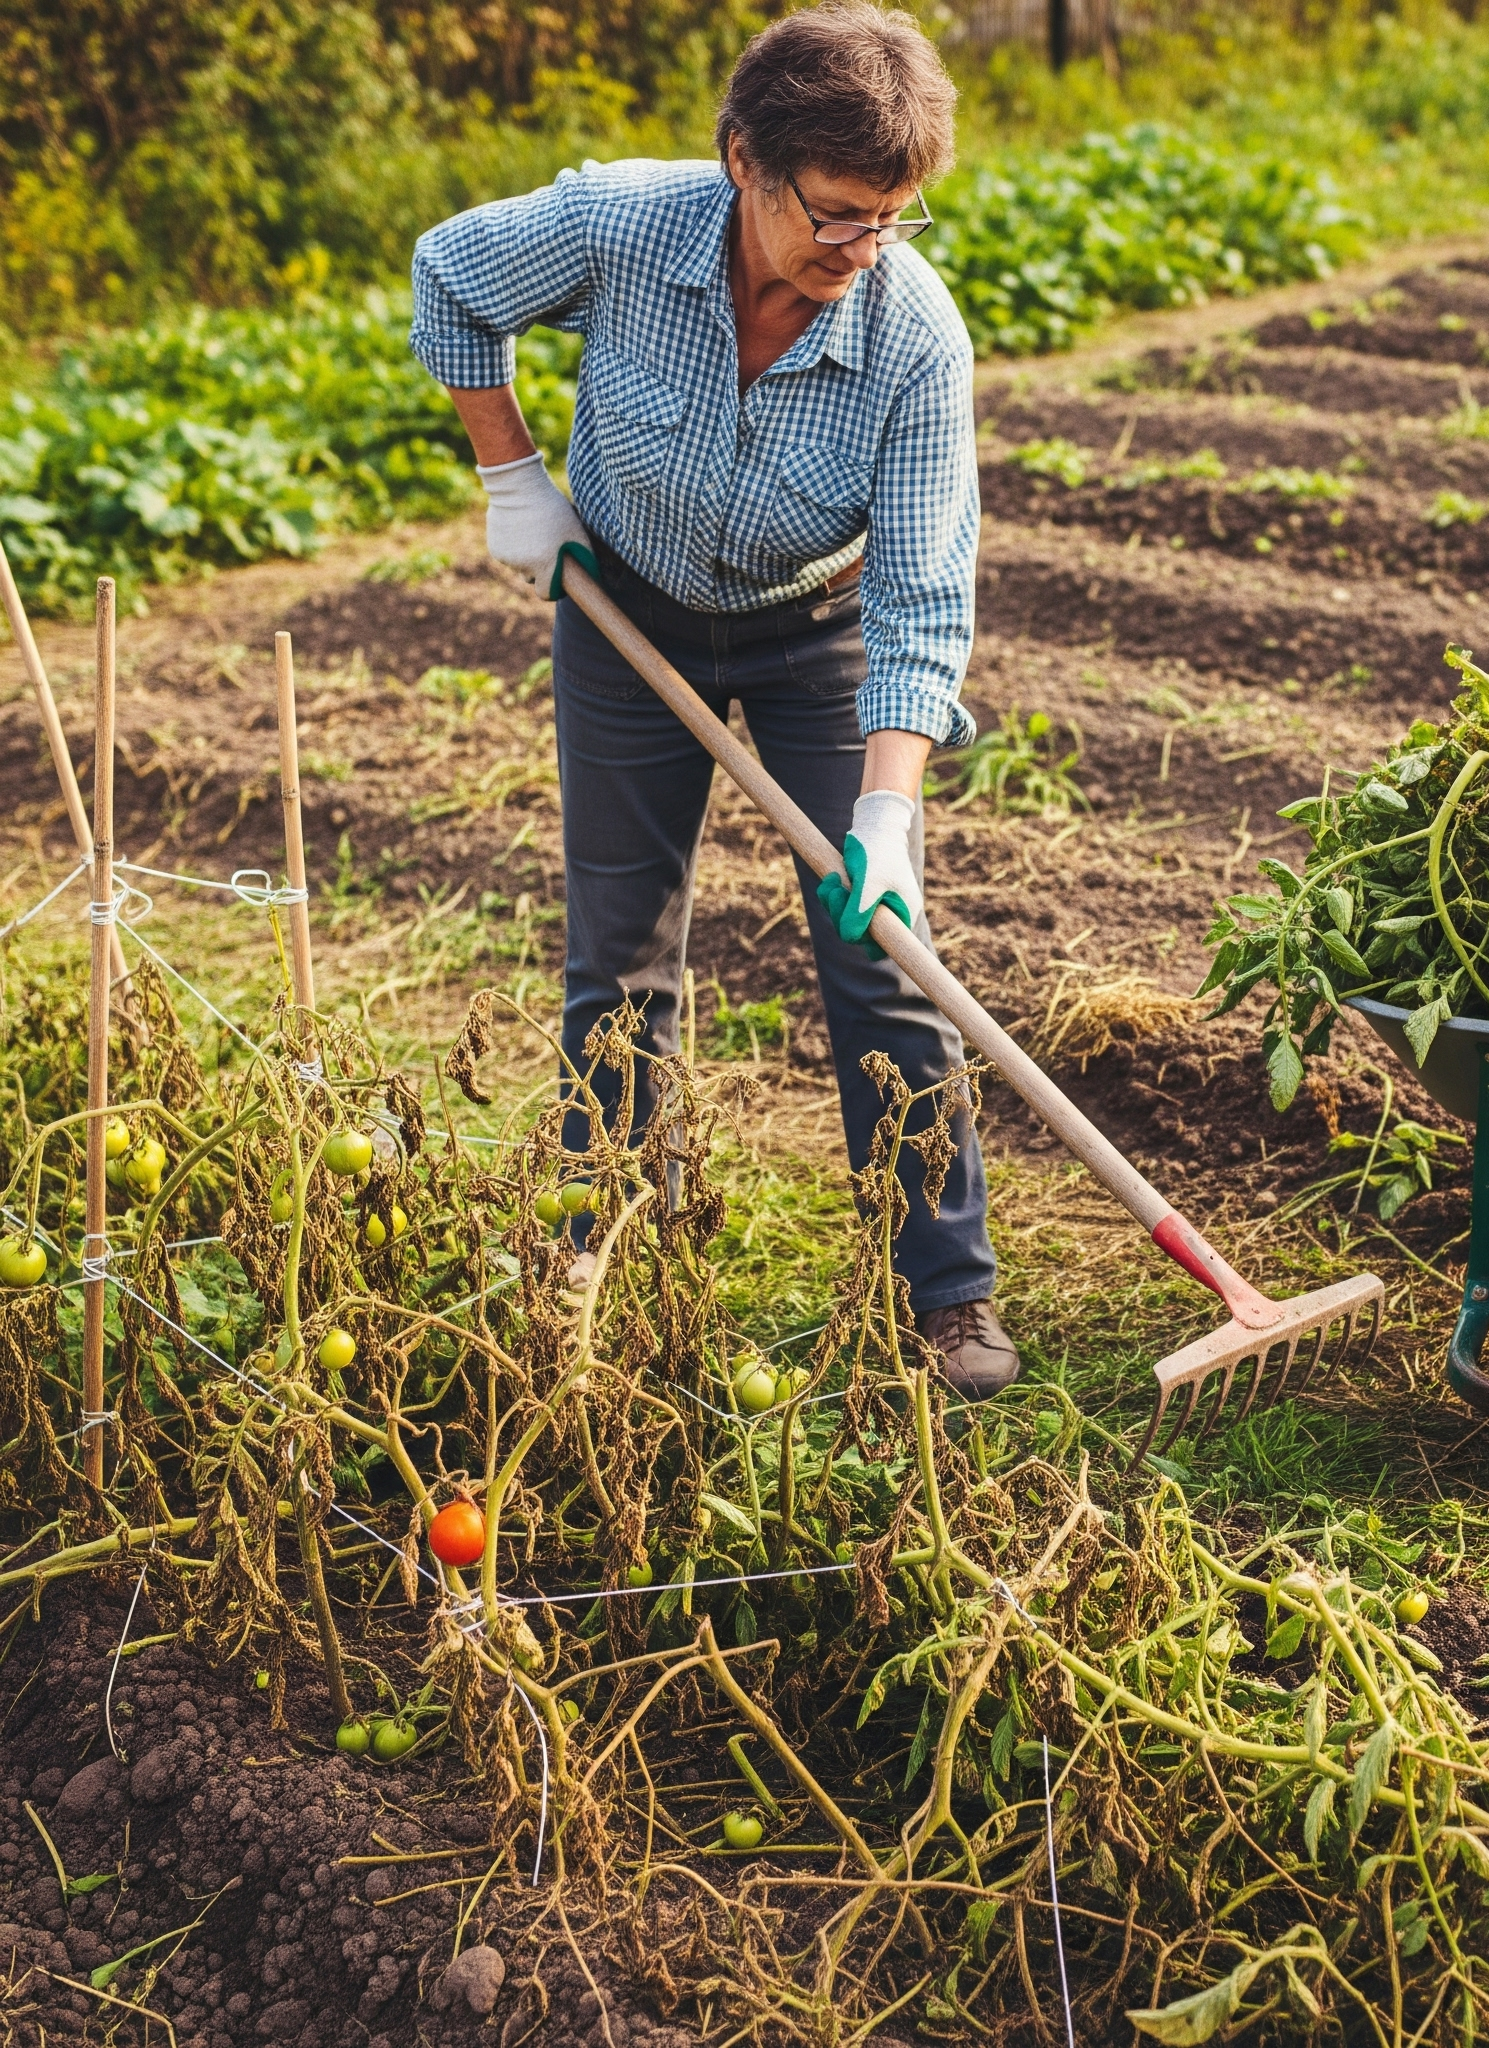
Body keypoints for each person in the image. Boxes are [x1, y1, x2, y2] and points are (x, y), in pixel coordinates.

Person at [408, 2, 1018, 1396]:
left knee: (884, 959)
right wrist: (513, 478)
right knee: (618, 956)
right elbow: (451, 275)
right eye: (841, 214)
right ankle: (606, 1252)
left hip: (819, 629)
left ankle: (944, 1297)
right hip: (627, 612)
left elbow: (926, 592)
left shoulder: (915, 338)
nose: (862, 252)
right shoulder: (624, 226)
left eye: (894, 220)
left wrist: (888, 816)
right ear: (743, 158)